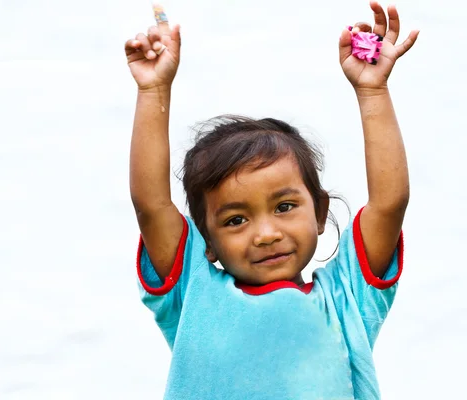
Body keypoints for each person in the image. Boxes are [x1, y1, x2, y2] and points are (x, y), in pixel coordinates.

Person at [124, 2, 418, 399]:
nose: (265, 234)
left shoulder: (347, 300)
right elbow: (151, 204)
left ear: (320, 213)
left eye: (284, 207)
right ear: (206, 241)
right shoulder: (194, 296)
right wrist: (153, 90)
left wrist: (373, 90)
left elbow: (389, 202)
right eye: (234, 220)